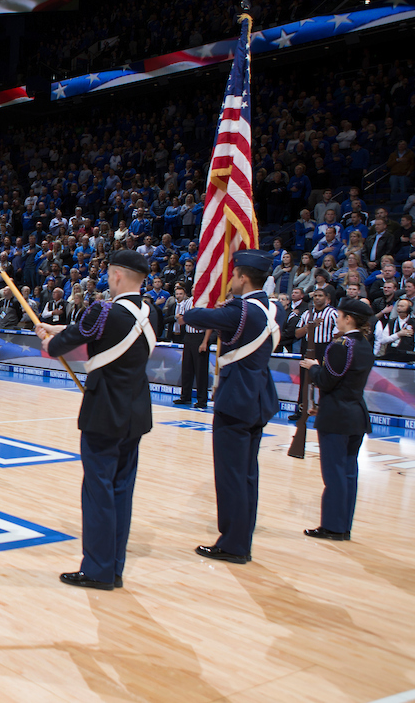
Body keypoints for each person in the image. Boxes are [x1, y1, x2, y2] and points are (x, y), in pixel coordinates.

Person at [35, 250, 155, 590]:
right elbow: (94, 331)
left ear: (116, 276)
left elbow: (59, 346)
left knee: (98, 491)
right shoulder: (150, 312)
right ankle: (114, 566)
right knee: (121, 490)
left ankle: (98, 569)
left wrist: (47, 337)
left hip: (104, 412)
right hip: (135, 413)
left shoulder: (102, 310)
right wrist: (58, 328)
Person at [182, 250, 281, 564]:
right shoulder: (269, 308)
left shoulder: (243, 311)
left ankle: (234, 544)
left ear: (243, 277)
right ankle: (241, 538)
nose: (232, 280)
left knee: (231, 476)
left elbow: (195, 316)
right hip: (258, 398)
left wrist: (205, 307)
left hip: (237, 399)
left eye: (235, 275)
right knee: (247, 475)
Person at [299, 298, 375, 540]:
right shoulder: (364, 344)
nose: (337, 320)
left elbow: (327, 381)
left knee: (334, 473)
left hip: (336, 417)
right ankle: (343, 525)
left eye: (340, 316)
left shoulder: (340, 345)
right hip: (356, 414)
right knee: (349, 472)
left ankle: (332, 526)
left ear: (349, 319)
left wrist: (313, 367)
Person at [291, 286, 338, 421]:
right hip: (308, 349)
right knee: (304, 381)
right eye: (315, 295)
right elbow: (297, 333)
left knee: (325, 381)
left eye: (320, 296)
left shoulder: (332, 313)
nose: (317, 298)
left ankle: (324, 411)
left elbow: (339, 332)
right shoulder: (307, 314)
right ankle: (300, 410)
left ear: (328, 299)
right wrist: (309, 327)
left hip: (325, 349)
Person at [173, 284, 210, 409]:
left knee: (200, 370)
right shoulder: (187, 302)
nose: (194, 288)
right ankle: (185, 396)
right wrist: (182, 317)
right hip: (188, 336)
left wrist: (205, 341)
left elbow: (209, 324)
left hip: (200, 336)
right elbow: (181, 320)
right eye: (193, 286)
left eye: (197, 286)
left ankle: (202, 400)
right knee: (187, 368)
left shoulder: (205, 302)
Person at [375, 297, 413, 362]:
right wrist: (398, 335)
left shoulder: (413, 323)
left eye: (402, 306)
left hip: (408, 357)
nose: (398, 308)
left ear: (409, 308)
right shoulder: (391, 322)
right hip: (391, 355)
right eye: (398, 306)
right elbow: (383, 340)